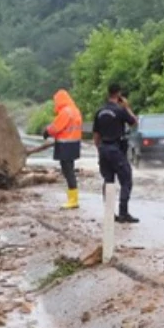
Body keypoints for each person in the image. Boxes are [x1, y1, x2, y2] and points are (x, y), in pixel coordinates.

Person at [93, 83, 139, 223]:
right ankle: (123, 213)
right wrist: (126, 107)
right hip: (116, 150)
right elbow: (134, 122)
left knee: (108, 181)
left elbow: (96, 135)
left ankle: (109, 213)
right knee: (126, 180)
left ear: (108, 93)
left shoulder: (99, 111)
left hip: (103, 149)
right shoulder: (120, 110)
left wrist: (99, 150)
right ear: (118, 94)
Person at [42, 89, 83, 209]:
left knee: (68, 171)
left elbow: (56, 127)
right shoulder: (75, 110)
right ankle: (73, 198)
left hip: (65, 145)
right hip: (74, 144)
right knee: (69, 170)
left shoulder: (66, 112)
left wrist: (47, 131)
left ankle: (73, 200)